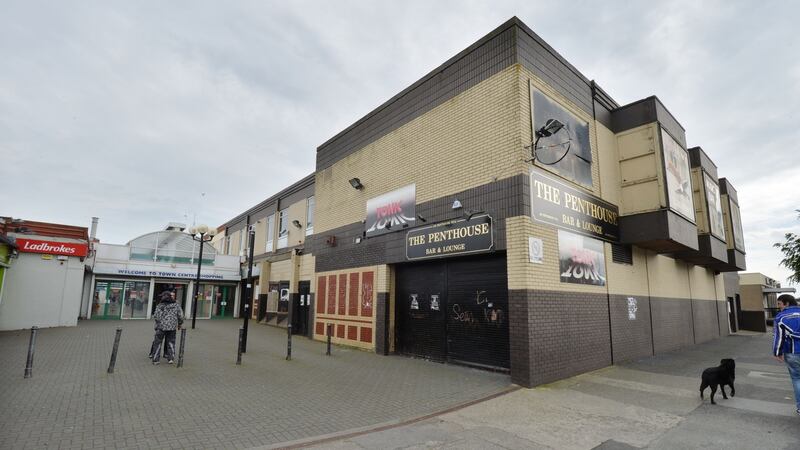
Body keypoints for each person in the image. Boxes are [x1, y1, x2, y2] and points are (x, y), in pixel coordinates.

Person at [772, 294, 800, 415]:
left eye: (779, 304)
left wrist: (777, 352)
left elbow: (778, 337)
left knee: (797, 378)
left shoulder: (781, 317)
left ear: (787, 303)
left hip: (792, 352)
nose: (779, 307)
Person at [150, 290, 184, 365]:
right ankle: (170, 358)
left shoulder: (160, 306)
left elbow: (156, 316)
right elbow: (181, 316)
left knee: (158, 343)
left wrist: (159, 323)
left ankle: (156, 360)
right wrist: (179, 324)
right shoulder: (176, 305)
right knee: (171, 342)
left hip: (161, 327)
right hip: (172, 327)